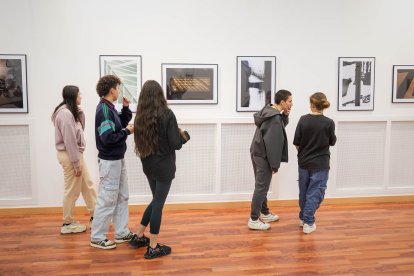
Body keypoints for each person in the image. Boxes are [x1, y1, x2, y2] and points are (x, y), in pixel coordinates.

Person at [129, 80, 190, 259]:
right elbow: (175, 144)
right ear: (160, 95)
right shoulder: (167, 114)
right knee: (158, 204)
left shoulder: (140, 116)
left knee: (156, 201)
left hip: (148, 165)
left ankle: (139, 235)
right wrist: (184, 135)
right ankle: (153, 246)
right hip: (164, 167)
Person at [90, 75, 135, 249]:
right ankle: (97, 237)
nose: (119, 90)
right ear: (112, 90)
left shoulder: (109, 107)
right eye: (118, 87)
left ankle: (122, 232)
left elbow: (119, 124)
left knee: (122, 196)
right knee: (107, 199)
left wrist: (125, 108)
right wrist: (127, 133)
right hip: (110, 162)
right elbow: (108, 137)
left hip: (117, 159)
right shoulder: (104, 110)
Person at [51, 85, 97, 234]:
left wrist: (80, 112)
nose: (81, 96)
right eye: (79, 94)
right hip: (70, 155)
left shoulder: (71, 112)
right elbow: (70, 140)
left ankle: (96, 216)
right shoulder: (65, 114)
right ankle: (67, 223)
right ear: (73, 96)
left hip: (75, 154)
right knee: (71, 190)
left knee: (87, 185)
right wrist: (76, 164)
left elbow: (79, 131)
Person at [248, 89, 293, 230]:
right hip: (263, 154)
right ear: (282, 102)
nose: (292, 104)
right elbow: (273, 143)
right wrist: (275, 165)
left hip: (257, 151)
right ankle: (254, 219)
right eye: (290, 101)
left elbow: (277, 128)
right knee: (261, 187)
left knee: (261, 185)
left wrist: (285, 116)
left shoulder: (269, 111)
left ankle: (265, 212)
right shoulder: (274, 117)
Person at [293, 92, 337, 234]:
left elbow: (297, 143)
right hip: (321, 163)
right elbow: (332, 142)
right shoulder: (329, 123)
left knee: (304, 192)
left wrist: (303, 154)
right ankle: (308, 222)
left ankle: (303, 218)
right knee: (315, 193)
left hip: (304, 162)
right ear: (323, 105)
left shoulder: (303, 120)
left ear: (312, 104)